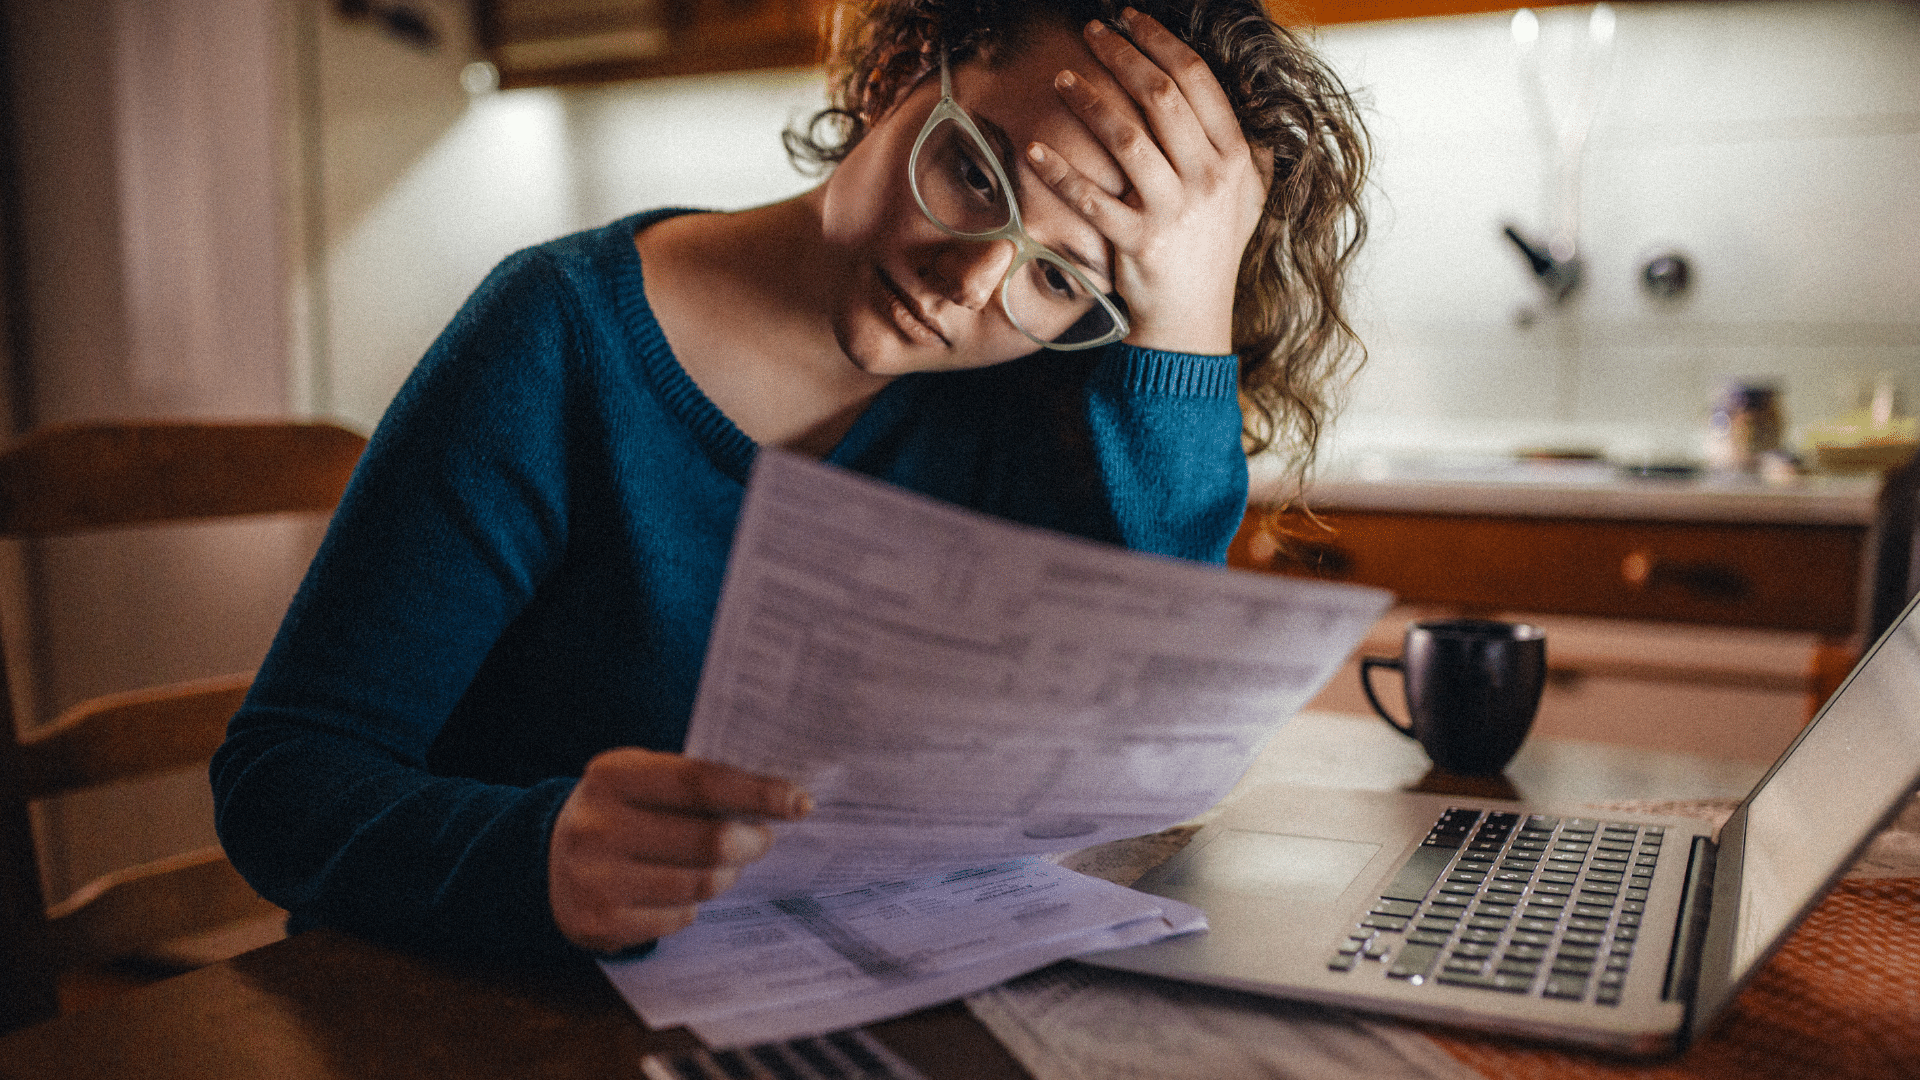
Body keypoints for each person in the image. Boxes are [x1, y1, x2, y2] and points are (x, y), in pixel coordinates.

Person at [211, 0, 1369, 964]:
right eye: (973, 172)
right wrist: (537, 854)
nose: (969, 287)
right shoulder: (558, 339)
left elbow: (1142, 757)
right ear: (903, 71)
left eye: (1063, 280)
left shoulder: (1032, 409)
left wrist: (1184, 323)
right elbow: (281, 782)